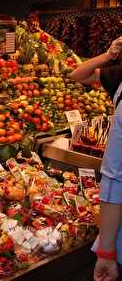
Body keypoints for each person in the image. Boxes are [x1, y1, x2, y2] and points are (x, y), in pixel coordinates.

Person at [70, 37, 122, 281]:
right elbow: (77, 75)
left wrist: (106, 251)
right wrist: (108, 55)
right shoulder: (118, 75)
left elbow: (115, 179)